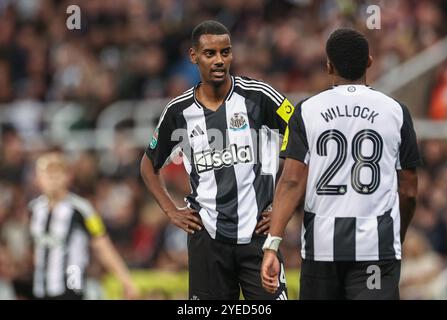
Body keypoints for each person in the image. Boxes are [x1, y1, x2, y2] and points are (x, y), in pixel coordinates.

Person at [261, 28, 421, 300]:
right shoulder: (396, 111)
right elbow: (408, 190)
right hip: (377, 248)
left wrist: (272, 244)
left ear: (328, 66)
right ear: (369, 61)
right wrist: (398, 234)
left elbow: (291, 181)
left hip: (322, 248)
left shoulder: (306, 110)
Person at [140, 20, 293, 300]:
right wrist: (171, 211)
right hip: (207, 237)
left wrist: (284, 208)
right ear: (193, 56)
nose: (219, 60)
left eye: (226, 52)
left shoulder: (259, 96)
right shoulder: (178, 111)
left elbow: (302, 137)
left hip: (258, 234)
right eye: (210, 53)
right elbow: (148, 165)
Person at [29, 151, 138, 300]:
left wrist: (126, 281)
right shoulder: (34, 208)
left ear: (68, 177)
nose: (52, 180)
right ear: (38, 178)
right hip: (41, 288)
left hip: (71, 288)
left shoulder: (82, 209)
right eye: (47, 175)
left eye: (57, 174)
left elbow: (103, 245)